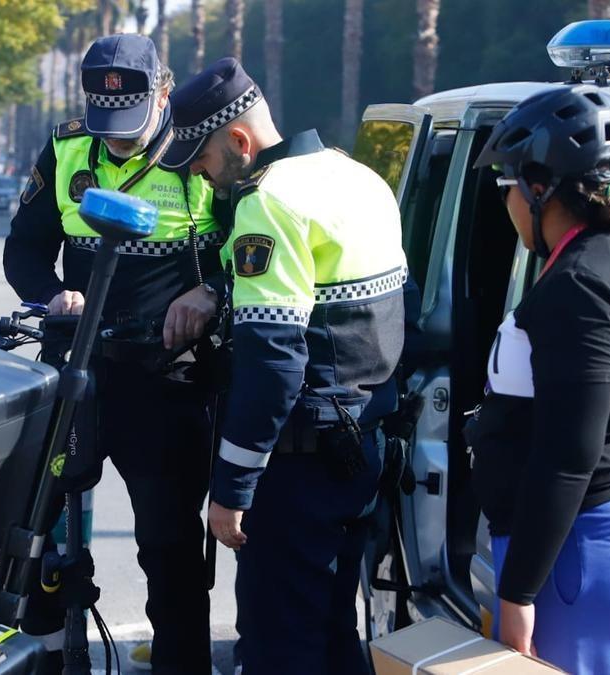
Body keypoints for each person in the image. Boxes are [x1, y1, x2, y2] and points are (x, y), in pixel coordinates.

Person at [161, 58, 406, 674]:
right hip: (361, 448)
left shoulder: (268, 202)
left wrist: (232, 488)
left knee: (278, 646)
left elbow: (273, 364)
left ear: (239, 142)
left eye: (201, 158)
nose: (197, 172)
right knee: (332, 630)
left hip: (297, 467)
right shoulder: (358, 178)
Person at [2, 34, 226, 674]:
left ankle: (181, 666)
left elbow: (250, 249)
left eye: (130, 121)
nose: (116, 138)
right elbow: (23, 250)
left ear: (162, 91)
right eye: (107, 123)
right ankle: (41, 655)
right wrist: (53, 293)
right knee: (34, 531)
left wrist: (210, 292)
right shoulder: (70, 142)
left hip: (165, 382)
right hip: (76, 368)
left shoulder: (200, 147)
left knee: (168, 543)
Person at [468, 85, 610, 674]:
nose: (506, 204)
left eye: (506, 187)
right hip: (583, 544)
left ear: (540, 189)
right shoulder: (606, 263)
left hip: (584, 549)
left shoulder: (582, 286)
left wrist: (518, 594)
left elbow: (569, 454)